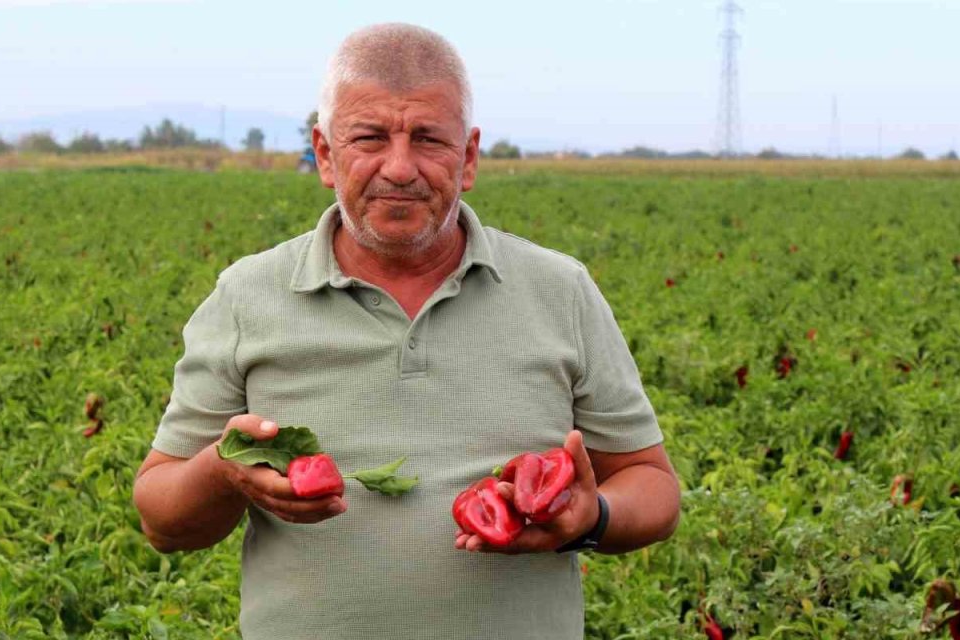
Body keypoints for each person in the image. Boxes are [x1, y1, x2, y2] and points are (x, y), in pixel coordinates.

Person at [132, 23, 681, 639]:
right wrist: (224, 469)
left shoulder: (560, 291)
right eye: (369, 138)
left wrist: (591, 516)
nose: (399, 168)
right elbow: (162, 519)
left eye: (428, 139)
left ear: (468, 158)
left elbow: (653, 488)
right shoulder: (246, 296)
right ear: (323, 153)